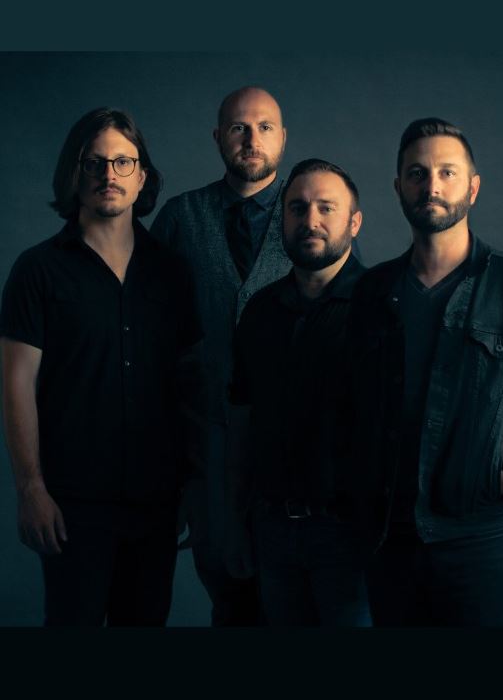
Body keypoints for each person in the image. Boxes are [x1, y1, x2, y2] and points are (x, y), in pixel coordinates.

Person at [345, 118, 503, 626]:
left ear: (472, 188)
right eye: (417, 173)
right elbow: (349, 404)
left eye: (447, 172)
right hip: (389, 538)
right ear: (398, 188)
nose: (431, 185)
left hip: (481, 538)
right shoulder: (372, 292)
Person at [0, 107, 203, 626]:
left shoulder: (171, 272)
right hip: (71, 503)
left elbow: (185, 386)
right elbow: (16, 380)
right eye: (94, 163)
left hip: (156, 500)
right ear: (75, 173)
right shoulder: (38, 269)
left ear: (141, 177)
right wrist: (31, 489)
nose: (108, 175)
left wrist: (188, 488)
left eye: (122, 162)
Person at [150, 86, 291, 626]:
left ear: (283, 137)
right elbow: (151, 346)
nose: (251, 139)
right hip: (203, 455)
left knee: (290, 603)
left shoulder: (310, 211)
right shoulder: (181, 218)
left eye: (264, 127)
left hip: (286, 459)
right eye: (238, 127)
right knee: (229, 604)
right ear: (217, 138)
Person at [228, 158, 370, 626]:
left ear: (354, 221)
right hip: (272, 533)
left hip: (352, 538)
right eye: (297, 208)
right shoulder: (260, 313)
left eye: (326, 208)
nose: (310, 221)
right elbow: (244, 421)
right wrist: (238, 518)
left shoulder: (383, 309)